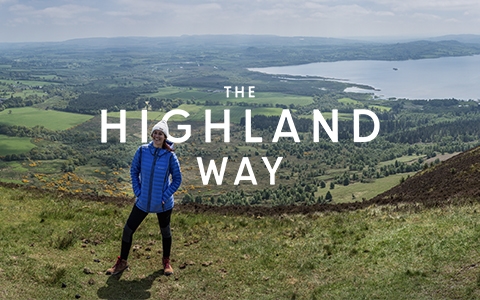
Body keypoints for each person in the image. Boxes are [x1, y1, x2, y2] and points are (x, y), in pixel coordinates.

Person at [106, 120, 182, 276]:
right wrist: (137, 191)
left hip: (163, 204)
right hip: (143, 200)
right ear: (152, 134)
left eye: (160, 133)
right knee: (128, 230)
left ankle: (166, 262)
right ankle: (122, 262)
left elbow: (177, 179)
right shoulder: (142, 151)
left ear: (165, 136)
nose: (157, 136)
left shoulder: (170, 156)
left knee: (165, 232)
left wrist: (164, 196)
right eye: (155, 132)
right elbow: (134, 171)